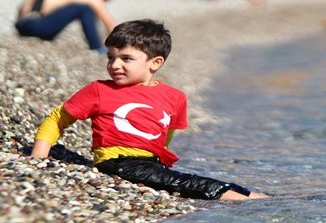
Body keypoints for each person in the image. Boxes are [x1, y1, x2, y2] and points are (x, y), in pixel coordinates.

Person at [30, 19, 269, 201]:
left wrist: (160, 163)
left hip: (150, 164)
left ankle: (251, 197)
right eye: (111, 58)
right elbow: (56, 119)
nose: (115, 65)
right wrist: (38, 157)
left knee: (181, 181)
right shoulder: (99, 90)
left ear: (155, 63)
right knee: (190, 183)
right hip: (117, 163)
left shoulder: (174, 97)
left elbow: (165, 135)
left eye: (126, 58)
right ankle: (246, 201)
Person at [15, 0, 123, 52]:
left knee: (80, 7)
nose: (107, 1)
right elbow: (109, 23)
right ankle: (96, 47)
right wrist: (120, 47)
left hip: (23, 25)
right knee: (84, 8)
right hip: (36, 26)